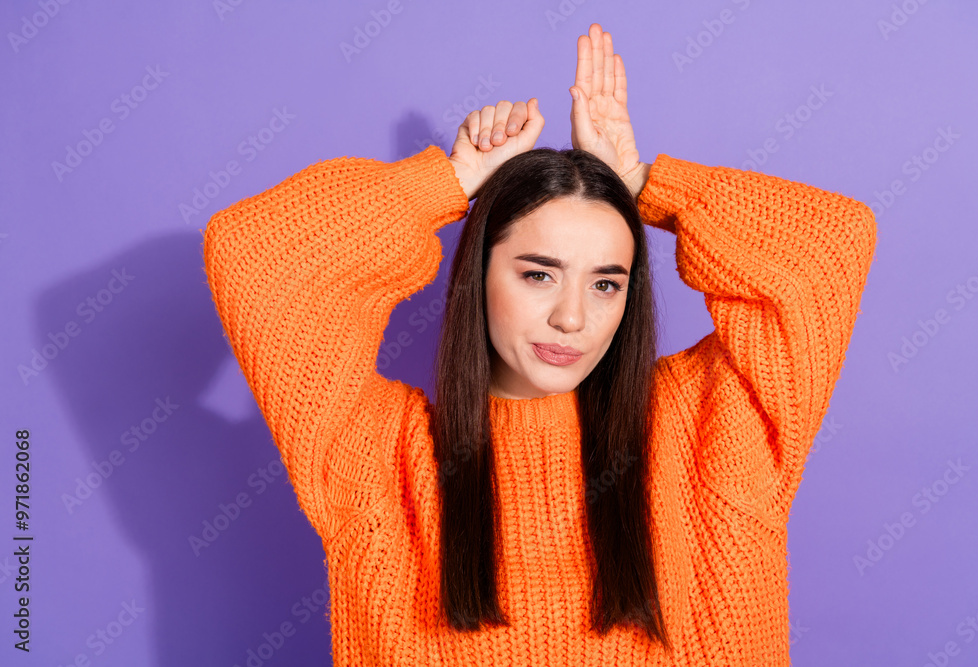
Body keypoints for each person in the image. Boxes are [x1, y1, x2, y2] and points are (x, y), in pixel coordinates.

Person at [203, 22, 877, 667]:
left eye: (607, 283)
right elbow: (253, 257)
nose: (572, 316)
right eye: (538, 273)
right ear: (478, 275)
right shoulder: (379, 457)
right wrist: (449, 182)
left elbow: (834, 246)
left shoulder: (705, 428)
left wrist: (646, 187)